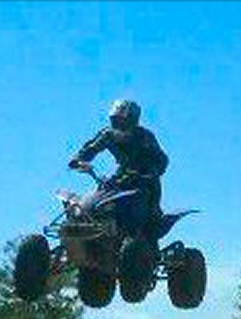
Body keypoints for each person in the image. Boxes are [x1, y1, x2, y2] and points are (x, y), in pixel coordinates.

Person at [68, 99, 168, 240]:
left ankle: (148, 235)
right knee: (103, 190)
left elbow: (161, 160)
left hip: (144, 175)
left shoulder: (144, 136)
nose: (117, 123)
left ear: (132, 120)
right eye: (115, 119)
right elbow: (92, 147)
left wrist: (151, 172)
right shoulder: (108, 134)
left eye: (122, 120)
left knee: (148, 200)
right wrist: (78, 159)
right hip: (122, 172)